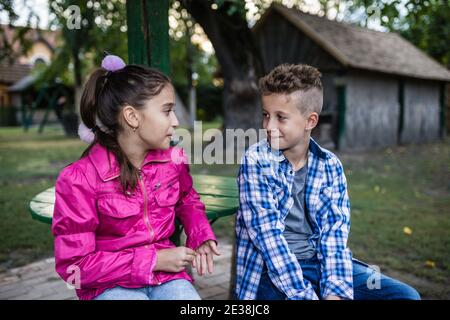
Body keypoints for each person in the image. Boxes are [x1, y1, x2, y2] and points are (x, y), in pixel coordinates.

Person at [234, 63, 420, 300]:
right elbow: (268, 239)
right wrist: (306, 296)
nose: (268, 126)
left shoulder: (330, 165)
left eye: (280, 118)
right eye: (265, 115)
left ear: (310, 121)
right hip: (270, 271)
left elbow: (334, 235)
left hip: (319, 263)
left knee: (405, 295)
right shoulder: (256, 161)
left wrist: (335, 291)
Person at [52, 54, 220, 300]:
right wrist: (152, 260)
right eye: (167, 111)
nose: (175, 121)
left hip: (166, 277)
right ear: (132, 117)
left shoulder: (173, 160)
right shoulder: (79, 178)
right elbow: (74, 267)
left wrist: (200, 234)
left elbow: (187, 199)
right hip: (109, 285)